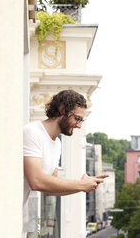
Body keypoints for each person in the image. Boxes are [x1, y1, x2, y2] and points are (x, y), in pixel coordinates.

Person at [23, 89, 108, 237]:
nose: (79, 125)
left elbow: (50, 188)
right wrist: (80, 185)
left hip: (20, 219)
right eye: (77, 118)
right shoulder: (32, 132)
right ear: (62, 110)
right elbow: (37, 181)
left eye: (81, 120)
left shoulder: (56, 144)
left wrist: (85, 186)